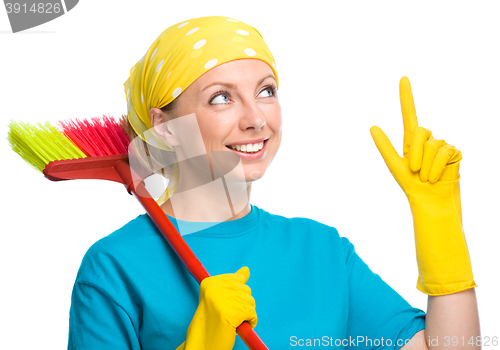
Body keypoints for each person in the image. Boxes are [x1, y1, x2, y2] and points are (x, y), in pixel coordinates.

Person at [67, 16, 480, 349]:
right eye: (221, 98)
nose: (256, 119)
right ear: (166, 127)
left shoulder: (321, 251)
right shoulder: (114, 266)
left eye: (266, 91)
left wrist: (440, 224)